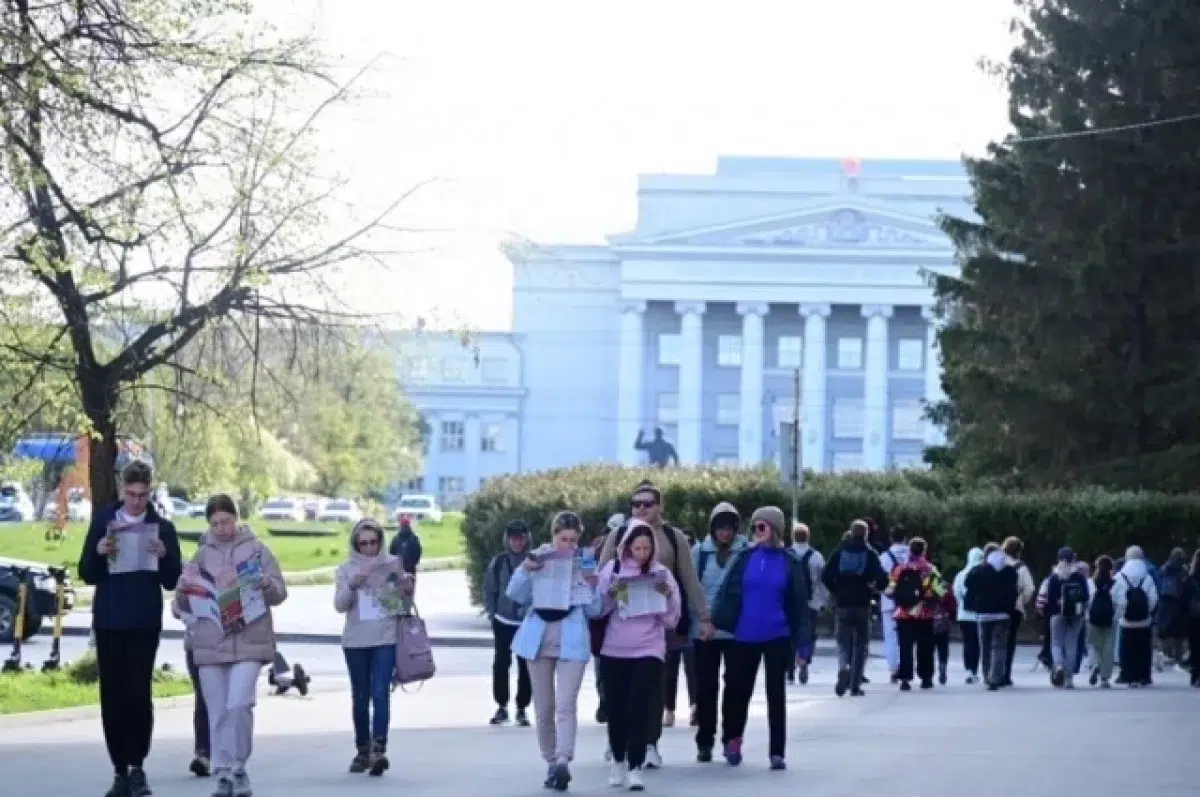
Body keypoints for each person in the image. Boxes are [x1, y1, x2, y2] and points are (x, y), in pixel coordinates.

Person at [78, 459, 183, 797]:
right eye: (132, 494)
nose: (137, 501)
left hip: (143, 621)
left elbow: (172, 581)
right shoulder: (105, 521)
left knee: (138, 693)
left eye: (143, 495)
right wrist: (98, 551)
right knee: (112, 696)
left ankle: (138, 766)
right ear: (123, 490)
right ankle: (119, 769)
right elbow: (87, 572)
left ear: (149, 492)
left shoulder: (162, 528)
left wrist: (164, 555)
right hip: (110, 620)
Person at [176, 494, 287, 797]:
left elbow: (279, 593)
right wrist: (185, 590)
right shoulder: (200, 556)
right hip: (211, 641)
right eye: (215, 523)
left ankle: (239, 766)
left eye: (226, 521)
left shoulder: (257, 550)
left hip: (249, 639)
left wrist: (265, 584)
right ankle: (223, 772)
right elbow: (180, 605)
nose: (221, 528)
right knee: (218, 711)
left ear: (235, 519)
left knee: (239, 704)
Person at [599, 481, 710, 770]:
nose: (641, 509)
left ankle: (649, 743)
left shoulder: (673, 538)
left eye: (647, 503)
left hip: (658, 625)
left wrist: (704, 616)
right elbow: (602, 579)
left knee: (653, 688)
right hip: (619, 627)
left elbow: (689, 579)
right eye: (636, 504)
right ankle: (619, 741)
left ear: (660, 507)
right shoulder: (618, 535)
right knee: (618, 690)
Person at [506, 511, 601, 791]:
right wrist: (526, 570)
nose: (567, 546)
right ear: (553, 536)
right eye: (563, 539)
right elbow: (514, 594)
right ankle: (550, 762)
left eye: (573, 540)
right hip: (538, 639)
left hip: (572, 639)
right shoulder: (538, 557)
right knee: (544, 707)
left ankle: (563, 761)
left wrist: (591, 581)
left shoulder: (584, 561)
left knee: (565, 703)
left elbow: (595, 609)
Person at [711, 507, 811, 771]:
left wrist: (803, 644)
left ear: (776, 529)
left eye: (763, 526)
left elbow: (800, 605)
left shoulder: (790, 562)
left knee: (775, 694)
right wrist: (712, 620)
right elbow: (725, 590)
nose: (757, 531)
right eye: (754, 526)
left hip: (778, 635)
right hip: (744, 635)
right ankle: (732, 740)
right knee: (736, 691)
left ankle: (777, 752)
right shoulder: (743, 558)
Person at [595, 521, 682, 790]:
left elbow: (671, 620)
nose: (642, 552)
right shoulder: (613, 570)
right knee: (617, 709)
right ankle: (618, 761)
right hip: (615, 649)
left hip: (648, 649)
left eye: (646, 547)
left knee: (639, 708)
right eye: (637, 547)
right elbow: (597, 609)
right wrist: (610, 595)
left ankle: (635, 766)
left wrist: (667, 597)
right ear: (627, 548)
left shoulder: (662, 574)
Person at [334, 518, 412, 775]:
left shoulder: (392, 564)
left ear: (381, 542)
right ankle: (362, 749)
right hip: (356, 640)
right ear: (356, 544)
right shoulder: (346, 569)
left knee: (381, 693)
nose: (369, 547)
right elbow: (339, 605)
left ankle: (379, 748)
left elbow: (402, 606)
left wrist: (406, 588)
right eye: (363, 543)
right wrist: (352, 584)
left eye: (374, 542)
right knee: (360, 695)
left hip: (385, 637)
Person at [690, 502, 748, 762]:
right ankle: (705, 741)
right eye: (719, 528)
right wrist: (702, 620)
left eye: (729, 528)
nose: (724, 533)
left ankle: (732, 740)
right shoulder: (698, 553)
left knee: (736, 688)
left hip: (737, 631)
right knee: (706, 689)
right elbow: (691, 589)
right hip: (704, 631)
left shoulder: (746, 552)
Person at [822, 519, 887, 697]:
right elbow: (883, 578)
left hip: (843, 603)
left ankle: (844, 667)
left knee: (843, 641)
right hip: (863, 604)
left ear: (850, 532)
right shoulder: (870, 553)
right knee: (861, 644)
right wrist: (873, 588)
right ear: (866, 534)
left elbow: (826, 575)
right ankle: (855, 684)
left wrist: (837, 590)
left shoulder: (840, 551)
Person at [483, 520, 534, 727]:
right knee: (501, 663)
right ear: (507, 539)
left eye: (520, 538)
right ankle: (502, 705)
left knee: (526, 666)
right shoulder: (499, 562)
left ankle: (522, 707)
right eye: (513, 538)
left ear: (526, 539)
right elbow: (489, 589)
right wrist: (492, 613)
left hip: (527, 622)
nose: (517, 542)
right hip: (503, 620)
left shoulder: (534, 561)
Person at [885, 537, 946, 691]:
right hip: (924, 614)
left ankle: (905, 678)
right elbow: (941, 591)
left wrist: (901, 598)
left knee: (905, 647)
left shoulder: (900, 569)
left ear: (909, 550)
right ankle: (926, 677)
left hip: (904, 614)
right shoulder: (929, 569)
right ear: (924, 550)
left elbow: (890, 590)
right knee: (925, 647)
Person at [964, 542, 1019, 691]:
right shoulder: (1009, 570)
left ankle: (987, 675)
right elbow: (1015, 589)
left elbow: (968, 583)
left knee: (985, 645)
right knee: (999, 646)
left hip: (983, 613)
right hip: (1003, 613)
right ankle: (996, 676)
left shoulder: (980, 569)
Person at [1035, 547, 1090, 688]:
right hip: (1076, 615)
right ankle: (1069, 678)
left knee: (1056, 644)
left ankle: (1058, 665)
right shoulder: (1079, 577)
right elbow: (1086, 597)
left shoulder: (1053, 578)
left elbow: (1046, 598)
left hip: (1056, 614)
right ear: (1074, 559)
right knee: (1071, 644)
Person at [1112, 545, 1159, 688]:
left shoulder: (1120, 576)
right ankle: (1143, 676)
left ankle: (1127, 674)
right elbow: (1153, 597)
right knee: (1144, 649)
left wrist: (1123, 611)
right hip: (1144, 620)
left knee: (1126, 648)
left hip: (1126, 620)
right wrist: (1146, 611)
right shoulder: (1147, 576)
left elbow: (1115, 596)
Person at [593, 513, 623, 724]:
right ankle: (604, 701)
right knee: (601, 663)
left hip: (624, 619)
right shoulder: (596, 549)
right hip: (601, 616)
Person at [789, 522, 827, 685]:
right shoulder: (816, 556)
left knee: (789, 634)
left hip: (789, 603)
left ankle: (789, 667)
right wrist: (824, 601)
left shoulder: (786, 554)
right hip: (811, 602)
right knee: (808, 634)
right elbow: (822, 581)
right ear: (808, 537)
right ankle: (804, 659)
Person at [1000, 537, 1036, 686]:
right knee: (1010, 642)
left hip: (995, 607)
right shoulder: (1021, 568)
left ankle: (992, 671)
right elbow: (1030, 589)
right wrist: (1021, 601)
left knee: (995, 641)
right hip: (1014, 608)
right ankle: (1006, 674)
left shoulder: (997, 564)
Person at [878, 525, 909, 682]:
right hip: (911, 603)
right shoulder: (912, 555)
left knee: (890, 636)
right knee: (908, 637)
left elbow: (879, 579)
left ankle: (893, 668)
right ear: (905, 538)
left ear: (891, 538)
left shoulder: (884, 557)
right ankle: (907, 666)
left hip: (889, 601)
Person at [952, 547, 984, 684]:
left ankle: (968, 670)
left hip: (964, 614)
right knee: (976, 644)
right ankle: (975, 670)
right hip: (978, 615)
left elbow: (956, 592)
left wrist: (962, 603)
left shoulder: (961, 574)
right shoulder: (983, 573)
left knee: (967, 643)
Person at [1087, 555, 1118, 688]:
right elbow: (1119, 602)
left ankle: (1095, 663)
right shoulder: (1116, 583)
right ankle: (1105, 678)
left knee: (1092, 643)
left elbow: (1087, 600)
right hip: (1110, 618)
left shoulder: (1090, 582)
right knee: (1108, 646)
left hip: (1092, 618)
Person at [1157, 548, 1189, 668]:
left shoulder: (1163, 569)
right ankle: (1178, 657)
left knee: (1166, 631)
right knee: (1179, 633)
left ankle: (1166, 655)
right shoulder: (1184, 570)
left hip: (1166, 604)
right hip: (1180, 604)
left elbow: (1159, 585)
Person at [1183, 550, 1200, 688]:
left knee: (1195, 646)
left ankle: (1195, 675)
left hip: (1194, 616)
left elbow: (1184, 599)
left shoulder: (1190, 578)